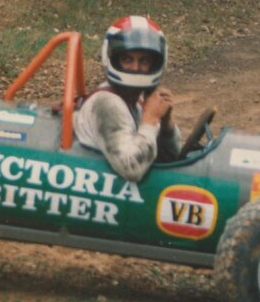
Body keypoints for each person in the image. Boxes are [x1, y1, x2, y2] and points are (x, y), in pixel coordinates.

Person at [73, 15, 182, 182]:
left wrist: (166, 126)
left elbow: (169, 159)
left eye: (144, 61)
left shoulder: (136, 101)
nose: (135, 68)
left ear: (155, 63)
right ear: (113, 58)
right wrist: (150, 119)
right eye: (127, 59)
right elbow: (131, 169)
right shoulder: (107, 104)